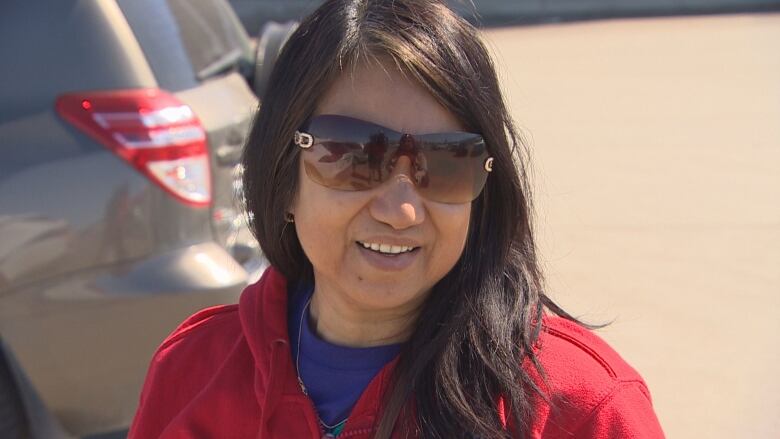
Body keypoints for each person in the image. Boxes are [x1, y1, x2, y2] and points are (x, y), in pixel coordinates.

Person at [128, 1, 665, 438]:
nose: (401, 210)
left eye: (447, 162)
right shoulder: (190, 372)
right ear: (282, 176)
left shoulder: (580, 409)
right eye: (355, 156)